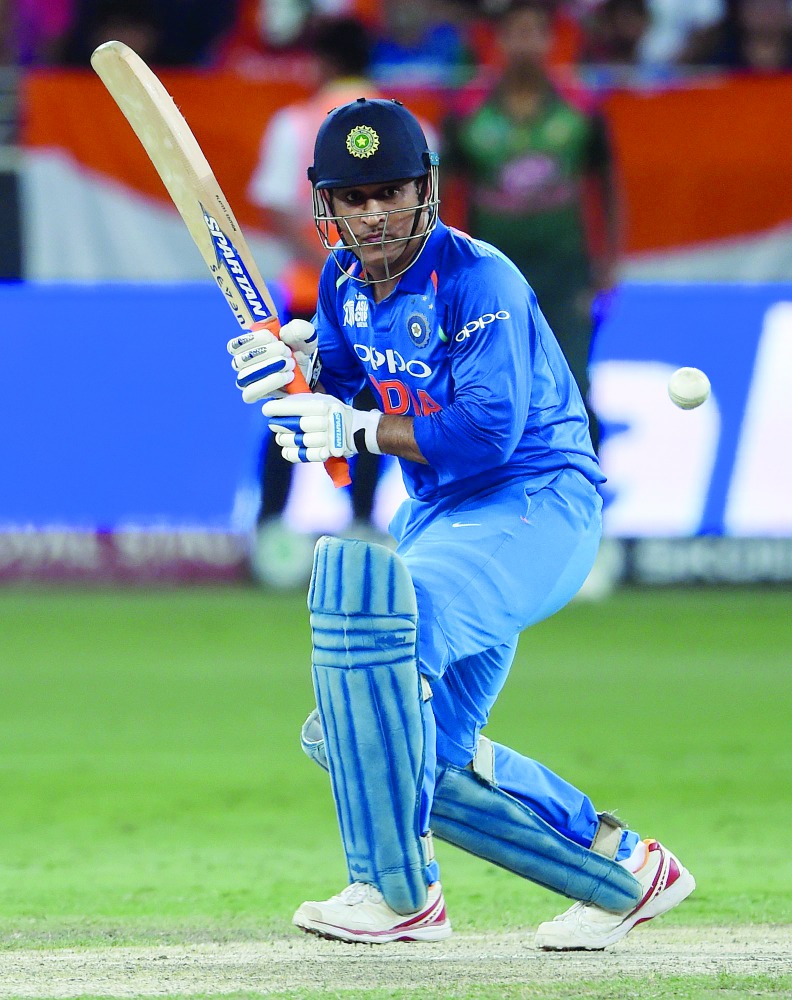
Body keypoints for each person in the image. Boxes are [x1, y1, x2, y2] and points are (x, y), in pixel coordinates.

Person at [226, 97, 695, 946]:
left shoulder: (481, 280)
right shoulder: (339, 285)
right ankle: (619, 866)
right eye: (352, 196)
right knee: (384, 742)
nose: (373, 214)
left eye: (391, 192)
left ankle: (397, 893)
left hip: (535, 505)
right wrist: (288, 376)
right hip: (440, 522)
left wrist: (353, 425)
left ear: (426, 190)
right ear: (325, 206)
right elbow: (333, 412)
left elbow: (483, 434)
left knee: (380, 651)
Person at [442, 0, 622, 455]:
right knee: (493, 388)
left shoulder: (581, 108)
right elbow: (442, 196)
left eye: (534, 33)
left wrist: (609, 262)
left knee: (574, 383)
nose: (525, 43)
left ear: (550, 40)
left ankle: (591, 503)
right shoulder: (466, 111)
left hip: (565, 269)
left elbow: (607, 186)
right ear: (498, 41)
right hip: (492, 272)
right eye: (515, 33)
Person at [247, 16, 388, 585]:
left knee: (293, 402)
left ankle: (272, 531)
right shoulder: (404, 124)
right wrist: (368, 261)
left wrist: (335, 260)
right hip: (385, 292)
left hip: (312, 291)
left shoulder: (296, 122)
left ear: (322, 62)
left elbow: (279, 208)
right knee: (380, 399)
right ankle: (363, 526)